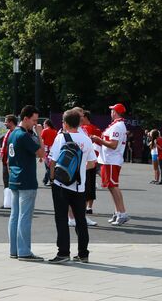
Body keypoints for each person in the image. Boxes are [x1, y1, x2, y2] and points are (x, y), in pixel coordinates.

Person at [47, 109, 97, 264]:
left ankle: (63, 253)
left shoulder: (61, 138)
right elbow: (92, 163)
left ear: (66, 123)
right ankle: (83, 253)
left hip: (61, 184)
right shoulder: (86, 139)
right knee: (80, 219)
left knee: (61, 218)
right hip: (79, 186)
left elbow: (53, 161)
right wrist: (78, 169)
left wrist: (53, 177)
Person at [7, 105, 45, 261]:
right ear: (26, 118)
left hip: (15, 178)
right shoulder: (23, 135)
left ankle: (14, 249)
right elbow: (41, 153)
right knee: (24, 216)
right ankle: (24, 251)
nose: (35, 124)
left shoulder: (12, 134)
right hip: (26, 179)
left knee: (15, 215)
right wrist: (40, 135)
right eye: (34, 120)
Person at [90, 103, 129, 226]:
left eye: (112, 110)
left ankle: (122, 213)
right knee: (111, 187)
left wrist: (98, 139)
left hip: (112, 160)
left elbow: (113, 145)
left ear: (115, 112)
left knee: (114, 186)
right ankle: (118, 212)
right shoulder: (117, 125)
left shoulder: (117, 126)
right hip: (108, 160)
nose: (111, 112)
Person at [81, 111, 102, 215]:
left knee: (85, 184)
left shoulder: (85, 128)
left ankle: (84, 208)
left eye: (81, 116)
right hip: (94, 159)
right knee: (91, 184)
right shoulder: (96, 128)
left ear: (85, 117)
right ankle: (89, 207)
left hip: (86, 160)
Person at [0, 115, 18, 208]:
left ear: (11, 122)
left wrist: (10, 159)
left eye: (6, 121)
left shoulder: (16, 133)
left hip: (12, 162)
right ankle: (7, 202)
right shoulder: (9, 132)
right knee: (6, 181)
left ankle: (12, 202)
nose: (5, 123)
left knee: (12, 182)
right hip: (6, 161)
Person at [40, 119, 58, 186]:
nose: (43, 125)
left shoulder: (45, 131)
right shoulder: (55, 131)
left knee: (48, 166)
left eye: (44, 124)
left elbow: (41, 140)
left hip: (46, 150)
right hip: (53, 150)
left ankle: (46, 180)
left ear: (47, 124)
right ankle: (50, 180)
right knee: (51, 165)